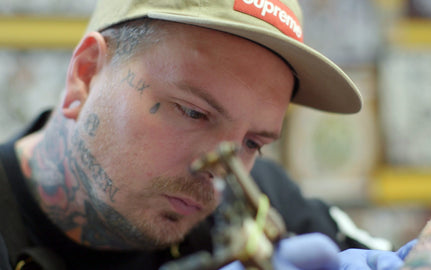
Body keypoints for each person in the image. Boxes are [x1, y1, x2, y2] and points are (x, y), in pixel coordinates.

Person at [0, 0, 403, 269]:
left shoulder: (257, 202)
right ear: (86, 75)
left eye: (253, 143)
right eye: (193, 112)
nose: (220, 172)